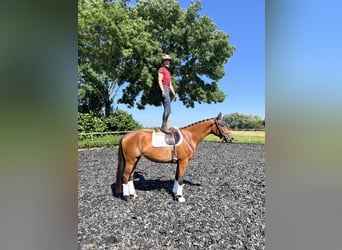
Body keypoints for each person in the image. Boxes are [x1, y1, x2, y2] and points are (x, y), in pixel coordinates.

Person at [158, 54, 176, 134]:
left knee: (169, 109)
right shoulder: (161, 69)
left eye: (168, 61)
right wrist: (163, 91)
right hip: (164, 88)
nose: (167, 62)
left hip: (167, 88)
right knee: (167, 108)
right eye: (166, 61)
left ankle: (164, 126)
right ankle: (163, 126)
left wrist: (174, 94)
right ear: (163, 62)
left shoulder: (168, 72)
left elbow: (170, 84)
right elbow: (159, 80)